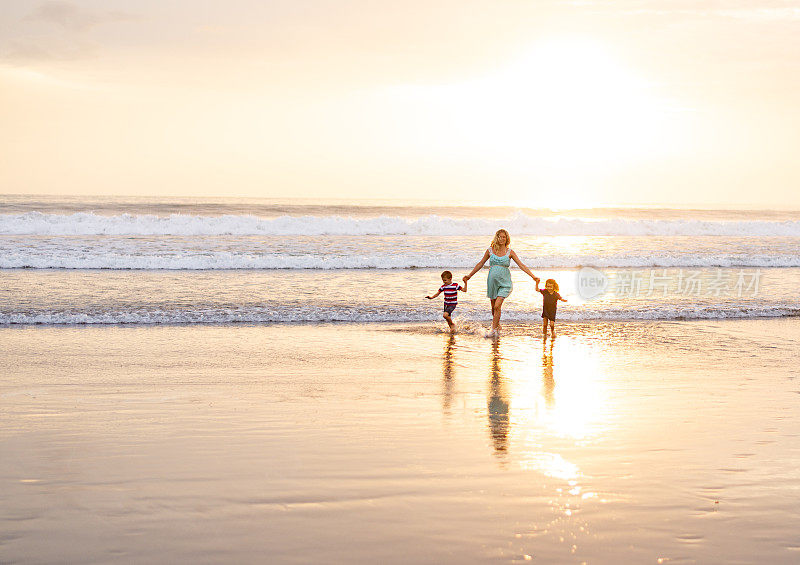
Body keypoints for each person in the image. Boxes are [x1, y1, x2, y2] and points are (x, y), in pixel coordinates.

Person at [463, 229, 540, 335]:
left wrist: (533, 276)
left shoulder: (510, 252)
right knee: (493, 307)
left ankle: (492, 331)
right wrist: (469, 275)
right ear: (497, 237)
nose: (502, 239)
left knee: (497, 306)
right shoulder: (490, 250)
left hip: (505, 283)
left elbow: (521, 265)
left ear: (507, 238)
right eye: (500, 237)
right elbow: (480, 263)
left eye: (504, 237)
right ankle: (497, 327)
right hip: (492, 282)